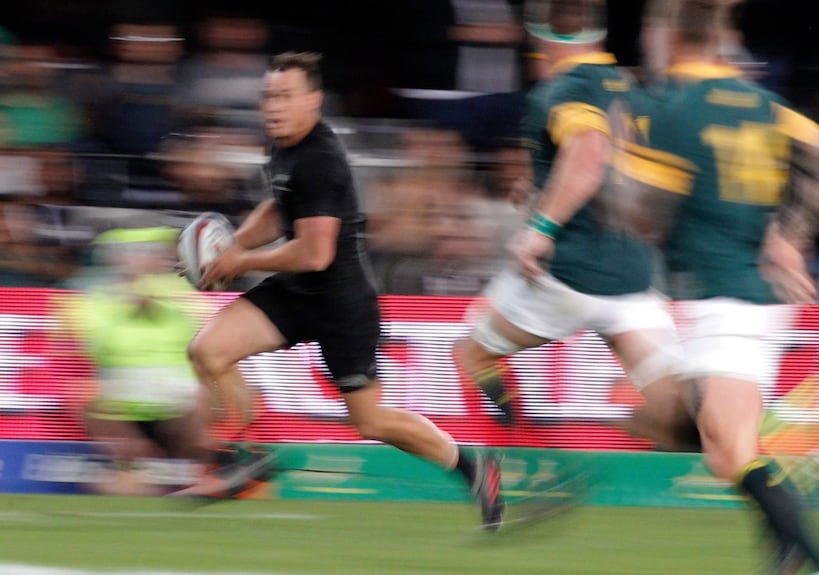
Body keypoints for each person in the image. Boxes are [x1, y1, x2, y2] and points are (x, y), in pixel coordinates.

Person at [179, 52, 504, 531]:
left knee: (370, 422)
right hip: (296, 293)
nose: (274, 106)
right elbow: (279, 205)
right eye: (269, 96)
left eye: (285, 97)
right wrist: (228, 248)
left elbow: (315, 253)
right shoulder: (284, 146)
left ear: (313, 101)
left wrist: (240, 261)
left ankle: (473, 465)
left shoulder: (320, 160)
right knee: (207, 351)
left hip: (342, 306)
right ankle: (242, 458)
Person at [618, 1, 819, 574]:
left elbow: (643, 215)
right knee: (657, 423)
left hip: (732, 300)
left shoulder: (661, 109)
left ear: (665, 37)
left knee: (728, 452)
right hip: (723, 297)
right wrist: (789, 232)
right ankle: (783, 547)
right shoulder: (765, 105)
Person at [453, 0, 691, 453]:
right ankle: (740, 465)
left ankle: (532, 456)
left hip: (569, 276)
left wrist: (541, 225)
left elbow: (588, 152)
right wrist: (544, 187)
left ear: (537, 37)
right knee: (673, 409)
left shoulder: (564, 88)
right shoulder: (633, 90)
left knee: (472, 353)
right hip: (635, 275)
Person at [57, 227, 211, 496]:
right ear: (116, 258)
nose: (148, 259)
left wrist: (153, 299)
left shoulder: (182, 292)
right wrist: (121, 303)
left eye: (154, 252)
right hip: (123, 407)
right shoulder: (89, 298)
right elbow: (79, 341)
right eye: (137, 253)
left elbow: (203, 331)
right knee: (85, 395)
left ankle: (192, 469)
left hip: (177, 402)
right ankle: (141, 470)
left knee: (206, 392)